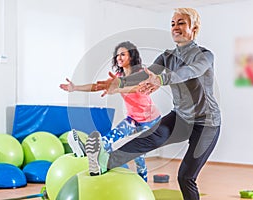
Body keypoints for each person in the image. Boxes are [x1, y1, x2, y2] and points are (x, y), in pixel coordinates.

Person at [86, 8, 221, 200]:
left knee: (185, 177)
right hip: (181, 117)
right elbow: (144, 75)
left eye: (181, 23)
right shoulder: (167, 57)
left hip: (207, 123)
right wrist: (120, 83)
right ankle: (104, 162)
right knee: (151, 136)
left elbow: (190, 71)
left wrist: (162, 79)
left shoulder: (205, 56)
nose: (176, 27)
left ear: (194, 28)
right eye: (173, 23)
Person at [59, 41, 161, 182]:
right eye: (117, 55)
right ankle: (87, 151)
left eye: (123, 54)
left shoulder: (140, 73)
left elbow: (137, 88)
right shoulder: (118, 76)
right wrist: (75, 87)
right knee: (108, 139)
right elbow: (97, 86)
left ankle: (143, 184)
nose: (119, 57)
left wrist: (117, 89)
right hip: (132, 119)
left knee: (138, 157)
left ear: (131, 57)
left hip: (151, 121)